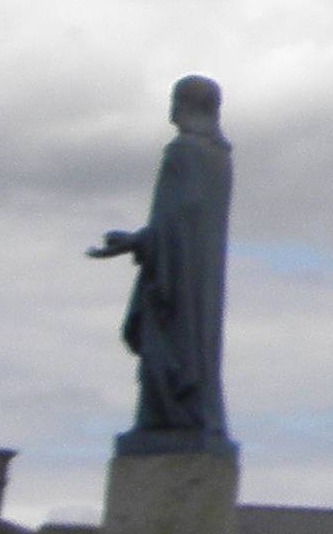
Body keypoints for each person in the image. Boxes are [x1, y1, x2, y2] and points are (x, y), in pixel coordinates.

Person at [91, 76, 232, 450]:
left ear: (186, 106)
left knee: (166, 356)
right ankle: (185, 416)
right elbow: (186, 221)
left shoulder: (183, 152)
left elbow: (176, 221)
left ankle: (168, 421)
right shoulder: (218, 157)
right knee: (191, 353)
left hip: (175, 279)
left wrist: (137, 241)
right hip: (199, 280)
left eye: (175, 101)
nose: (171, 111)